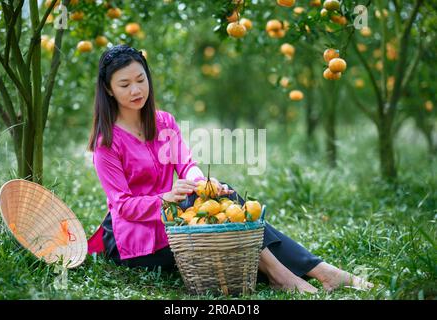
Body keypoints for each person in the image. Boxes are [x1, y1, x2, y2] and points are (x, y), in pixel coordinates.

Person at [86, 44, 373, 294]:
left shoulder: (163, 122)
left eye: (140, 79)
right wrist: (164, 199)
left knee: (223, 201)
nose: (136, 90)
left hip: (174, 218)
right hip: (136, 237)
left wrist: (203, 185)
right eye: (124, 85)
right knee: (228, 236)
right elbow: (122, 206)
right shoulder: (107, 142)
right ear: (109, 90)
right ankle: (308, 273)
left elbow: (187, 165)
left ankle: (310, 273)